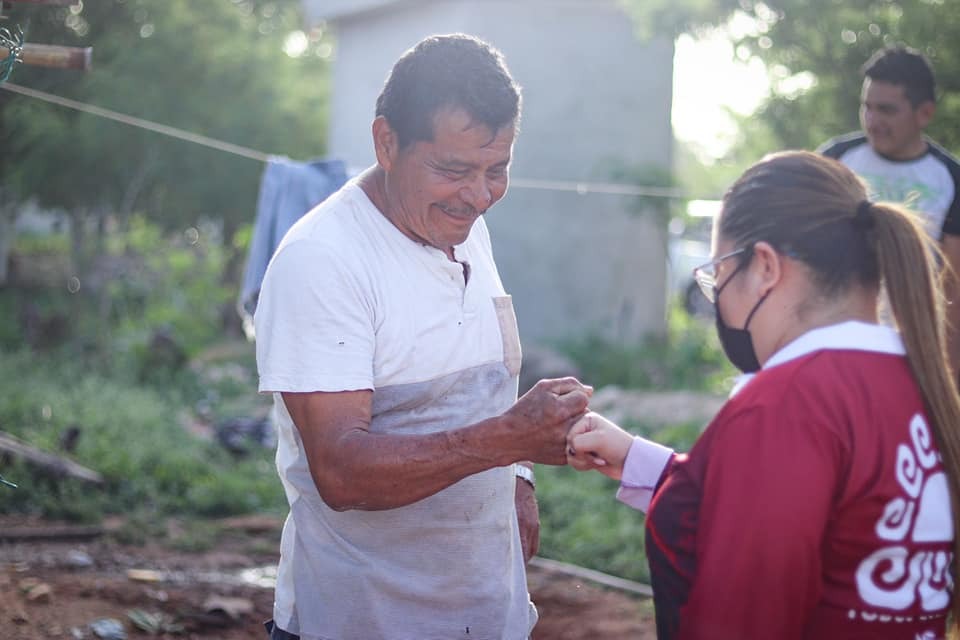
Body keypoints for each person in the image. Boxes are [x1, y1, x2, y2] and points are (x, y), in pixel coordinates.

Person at [254, 34, 592, 640]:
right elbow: (341, 473)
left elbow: (482, 386)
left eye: (498, 170)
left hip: (486, 616)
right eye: (455, 170)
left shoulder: (457, 224)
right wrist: (506, 439)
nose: (480, 195)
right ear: (387, 142)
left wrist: (517, 473)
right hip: (360, 620)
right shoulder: (322, 261)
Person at [567, 151, 960, 639]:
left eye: (718, 276)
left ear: (766, 267)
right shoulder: (917, 383)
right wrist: (638, 460)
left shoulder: (786, 403)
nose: (719, 301)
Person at [818, 44, 960, 379]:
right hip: (837, 341)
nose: (872, 120)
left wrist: (950, 378)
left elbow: (955, 285)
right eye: (866, 107)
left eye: (886, 110)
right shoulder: (834, 160)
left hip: (912, 352)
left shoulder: (950, 178)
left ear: (924, 113)